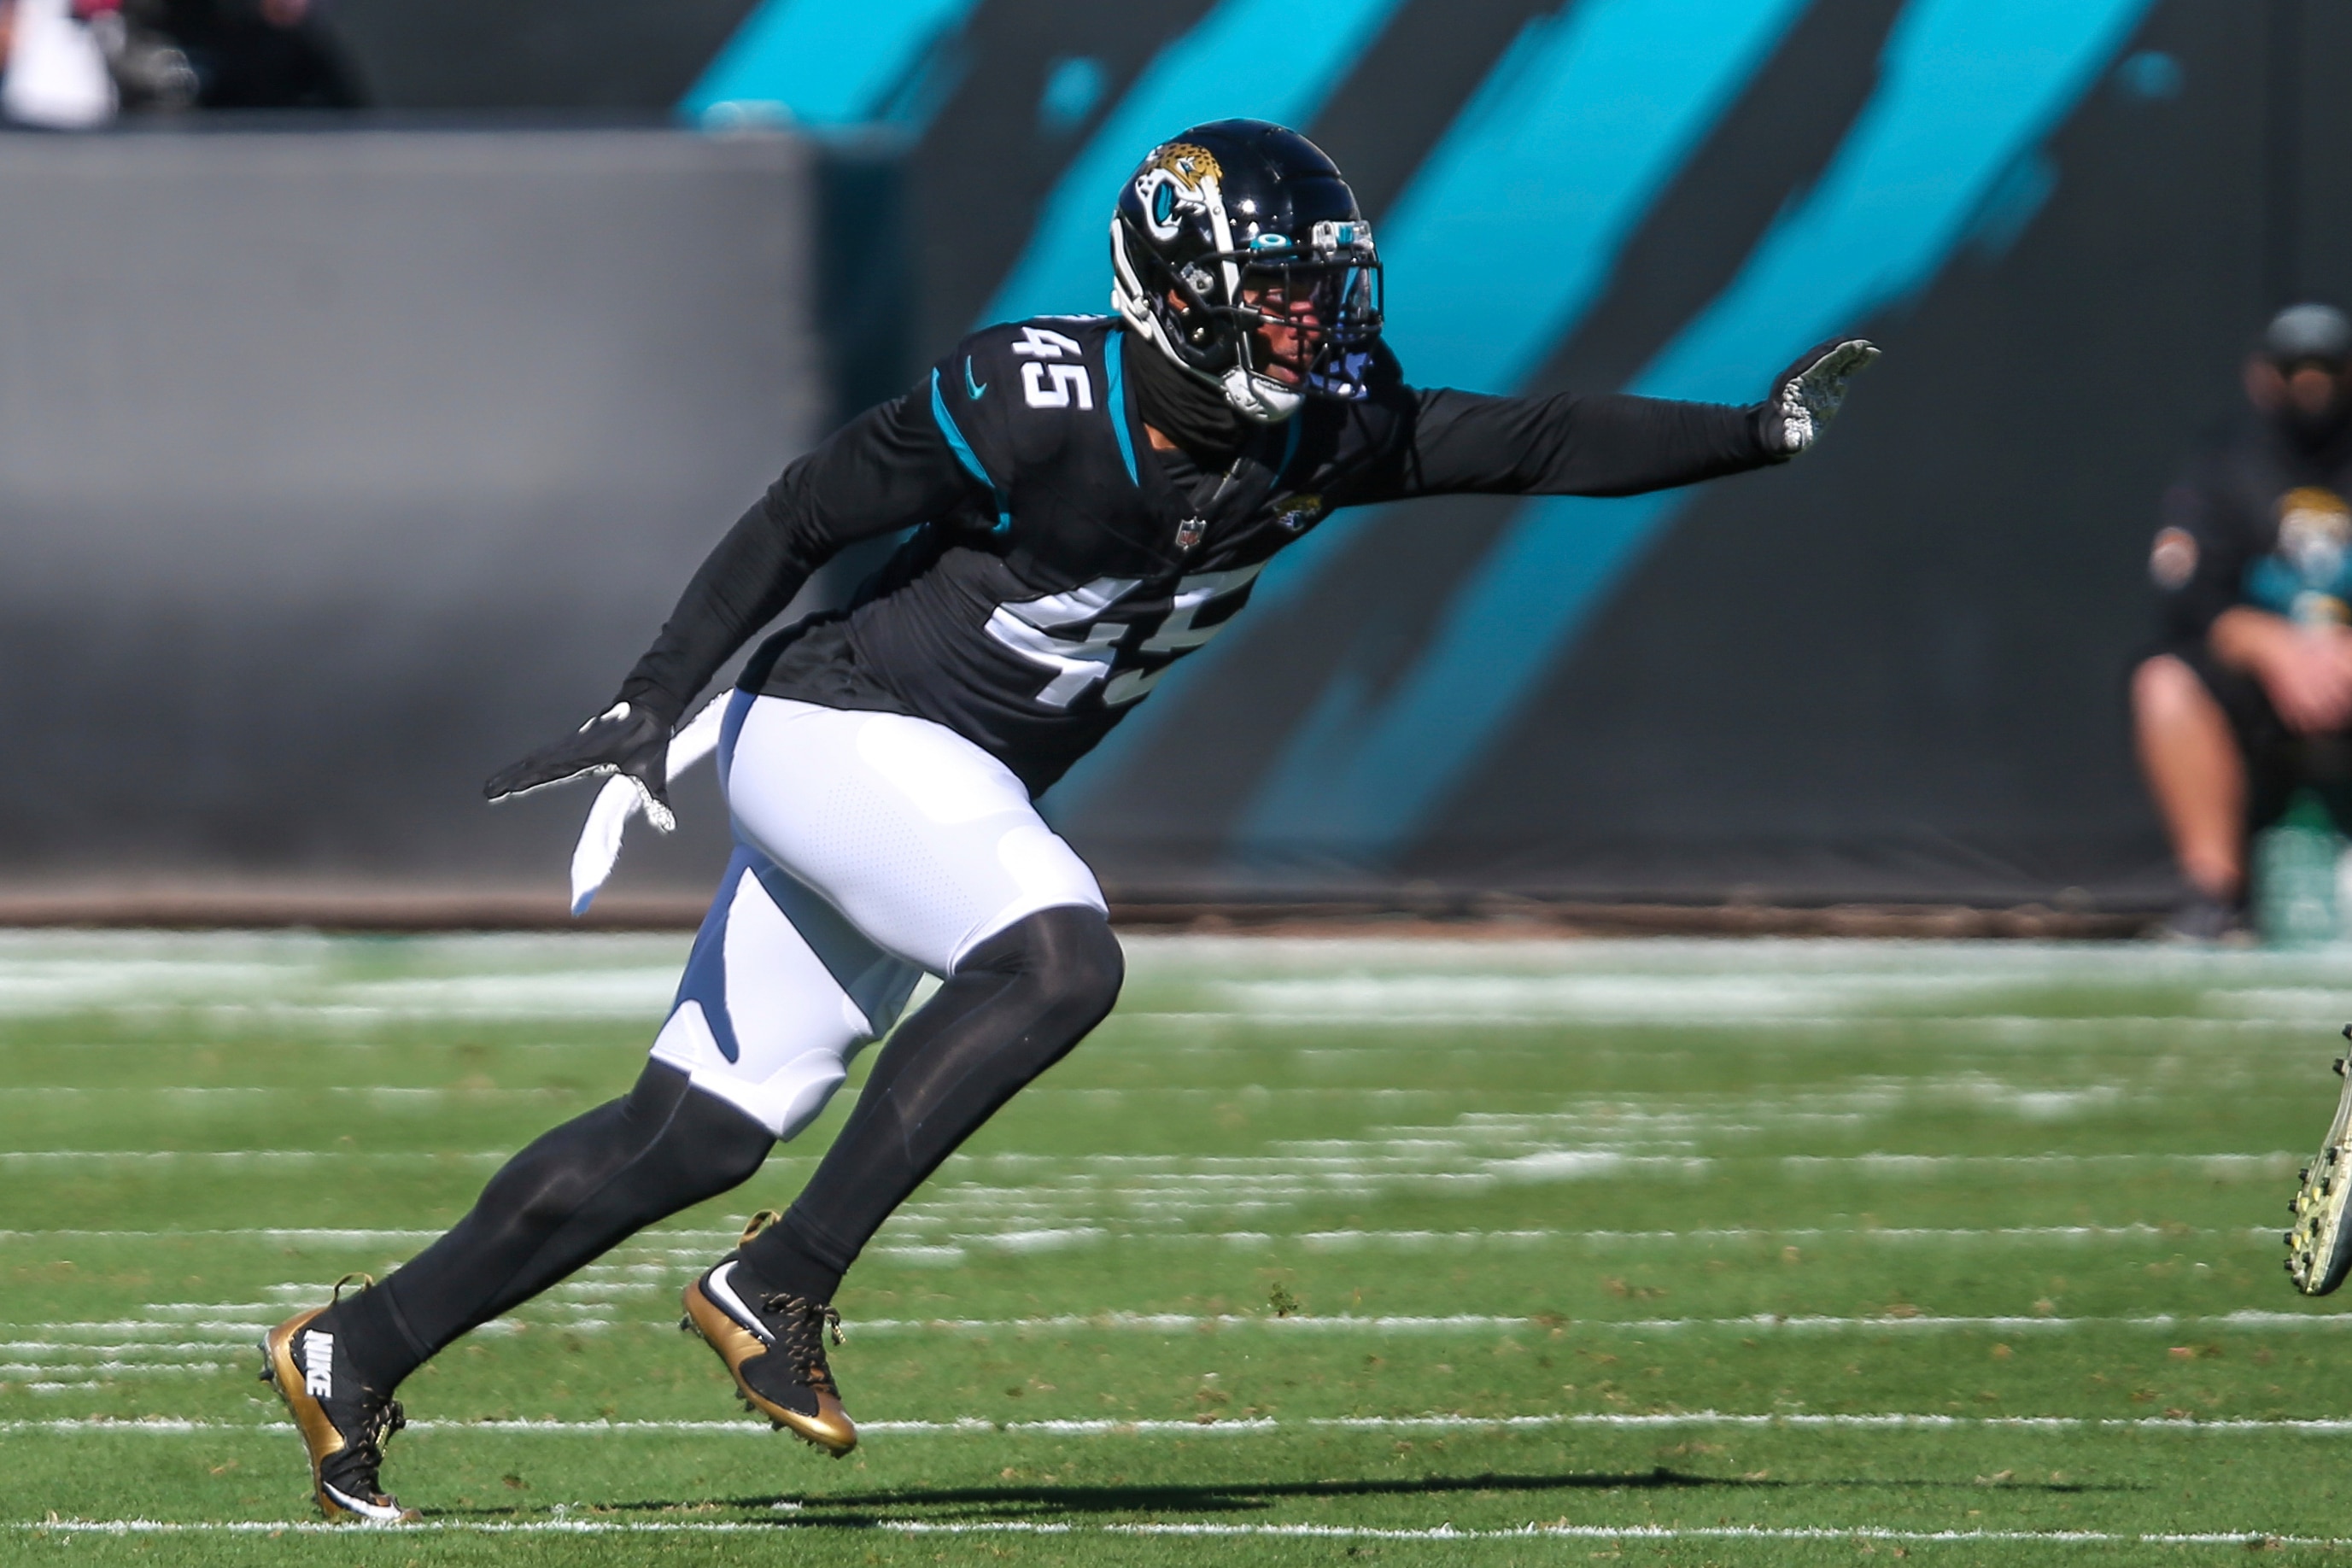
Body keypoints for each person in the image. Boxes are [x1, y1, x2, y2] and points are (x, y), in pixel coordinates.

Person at [256, 119, 1878, 1522]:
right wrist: (653, 697)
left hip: (928, 782)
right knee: (1055, 960)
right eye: (1281, 291)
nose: (1317, 325)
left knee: (692, 1128)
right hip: (838, 728)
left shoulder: (1323, 428)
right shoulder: (1035, 395)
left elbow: (1531, 440)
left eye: (1325, 289)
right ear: (1174, 293)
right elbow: (806, 508)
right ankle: (779, 1281)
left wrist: (1751, 431)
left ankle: (358, 1347)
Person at [2132, 302, 2352, 941]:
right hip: (2262, 685)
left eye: (2328, 370)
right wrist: (2272, 644)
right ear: (2263, 376)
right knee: (2164, 683)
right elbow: (2189, 598)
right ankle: (2214, 895)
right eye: (2296, 371)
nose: (2312, 388)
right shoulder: (2225, 467)